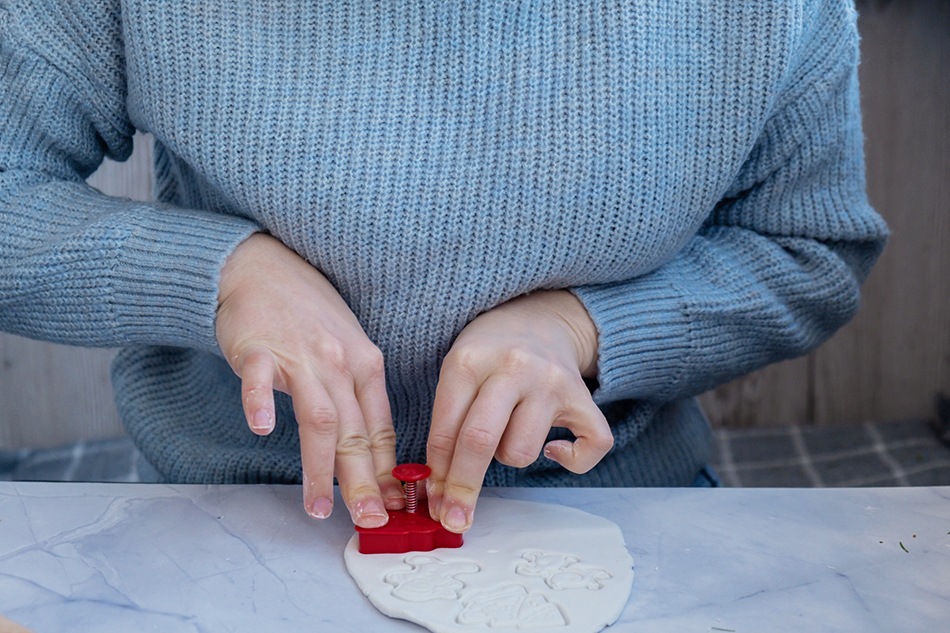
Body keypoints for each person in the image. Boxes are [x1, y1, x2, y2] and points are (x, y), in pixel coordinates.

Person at [0, 0, 887, 533]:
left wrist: (585, 327)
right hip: (233, 520)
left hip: (616, 512)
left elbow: (808, 248)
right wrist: (223, 276)